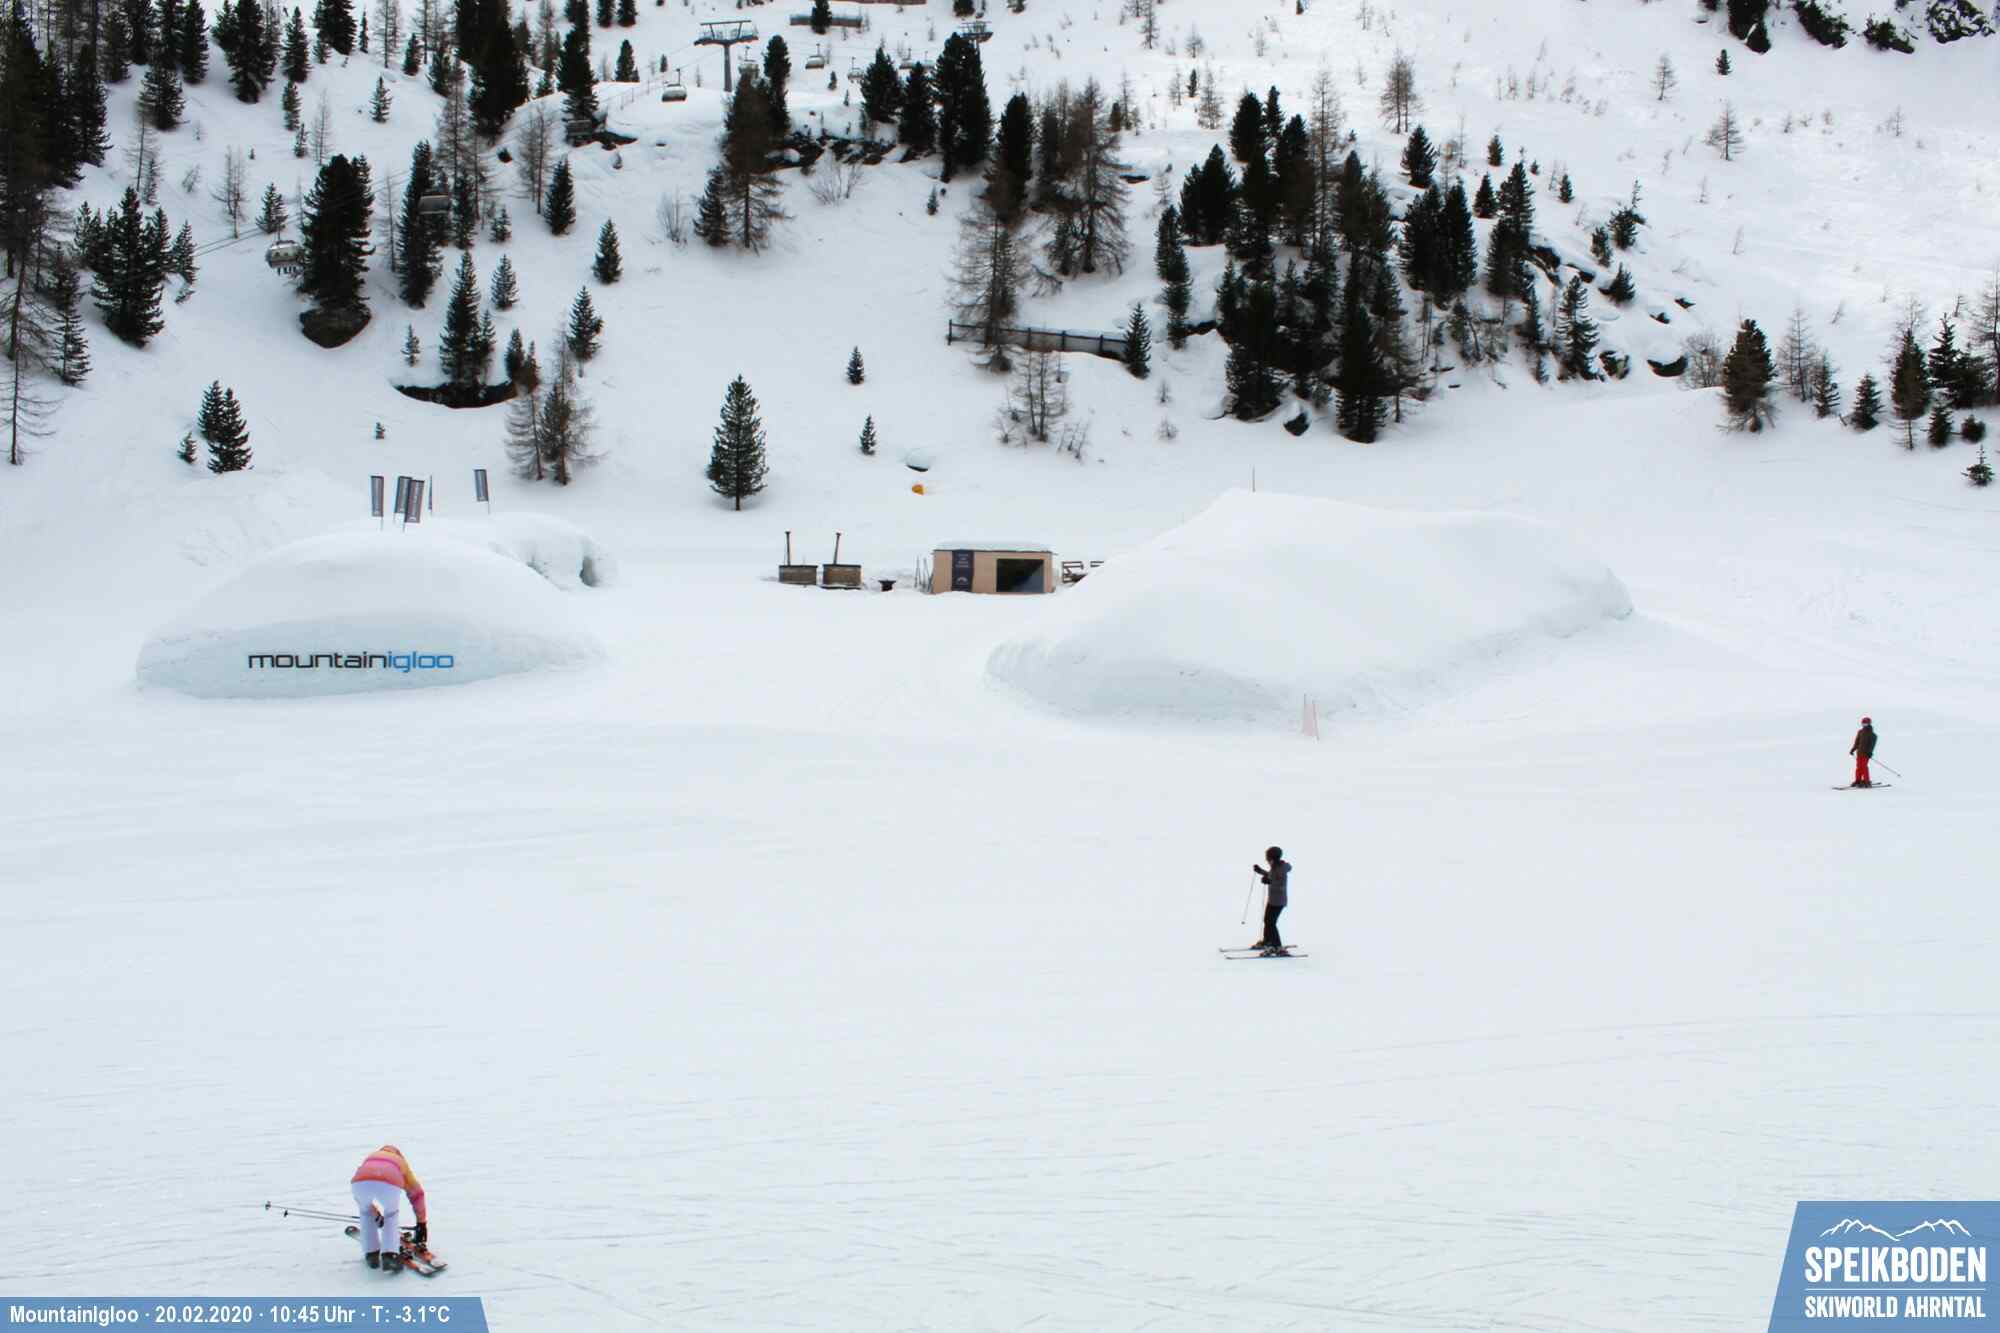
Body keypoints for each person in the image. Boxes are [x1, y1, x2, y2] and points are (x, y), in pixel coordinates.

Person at [351, 1145, 428, 1271]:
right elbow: (417, 1193)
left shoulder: (371, 1157)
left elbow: (366, 1185)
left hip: (359, 1184)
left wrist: (375, 1214)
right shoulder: (400, 1162)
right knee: (391, 1215)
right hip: (389, 1184)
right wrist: (421, 1223)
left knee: (365, 1213)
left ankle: (371, 1253)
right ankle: (390, 1254)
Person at [1251, 846, 1291, 953]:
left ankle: (1278, 947)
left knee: (1271, 923)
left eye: (1267, 857)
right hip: (1273, 900)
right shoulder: (1276, 867)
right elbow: (1271, 875)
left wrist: (1269, 882)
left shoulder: (1280, 868)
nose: (1266, 860)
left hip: (1278, 901)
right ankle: (1267, 941)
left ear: (1272, 858)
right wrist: (1260, 871)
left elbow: (1281, 885)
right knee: (1267, 921)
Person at [1849, 716, 1878, 787]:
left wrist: (1870, 752)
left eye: (1866, 724)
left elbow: (1872, 745)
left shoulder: (1872, 735)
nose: (1864, 725)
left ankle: (1866, 781)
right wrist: (1853, 749)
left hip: (1866, 754)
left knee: (1864, 767)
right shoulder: (1860, 732)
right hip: (1859, 753)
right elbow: (1857, 742)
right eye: (1863, 724)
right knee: (1858, 767)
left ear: (1869, 724)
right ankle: (1858, 780)